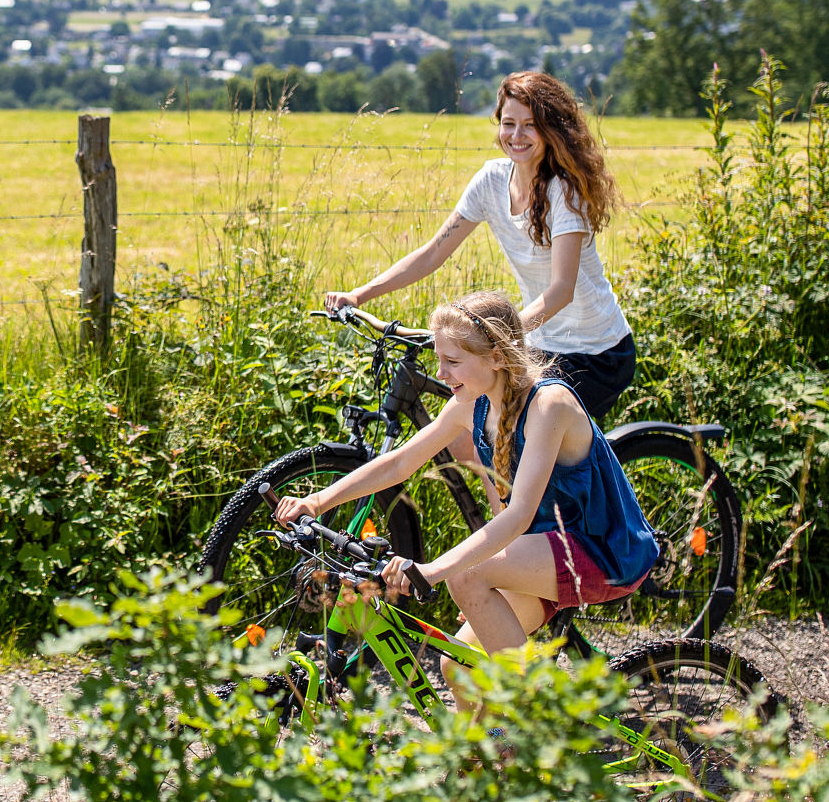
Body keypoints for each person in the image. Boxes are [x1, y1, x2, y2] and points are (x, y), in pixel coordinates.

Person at [275, 292, 659, 695]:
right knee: (459, 666)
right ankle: (495, 753)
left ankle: (537, 717)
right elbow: (398, 463)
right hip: (544, 552)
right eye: (439, 359)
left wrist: (434, 570)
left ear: (496, 356)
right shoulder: (472, 402)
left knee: (467, 574)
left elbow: (519, 515)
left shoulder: (550, 404)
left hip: (603, 551)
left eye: (453, 362)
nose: (441, 373)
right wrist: (317, 501)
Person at [324, 69, 635, 424]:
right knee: (465, 427)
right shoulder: (491, 181)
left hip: (594, 352)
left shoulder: (562, 192)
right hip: (538, 343)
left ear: (551, 131)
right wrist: (359, 295)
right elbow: (432, 253)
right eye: (508, 123)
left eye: (530, 125)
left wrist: (497, 334)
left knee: (524, 440)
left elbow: (561, 290)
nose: (516, 135)